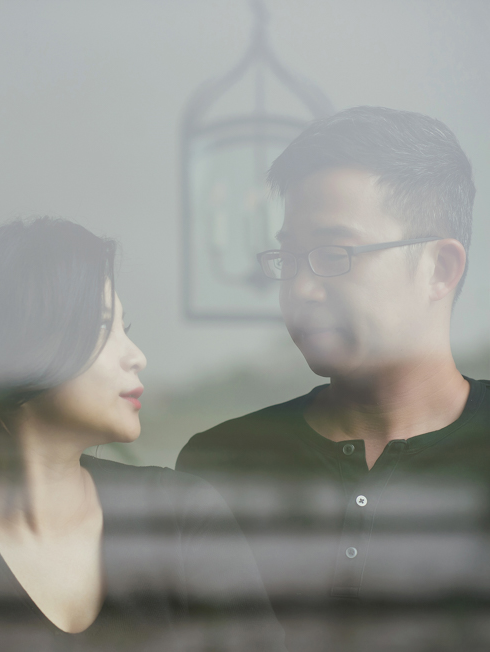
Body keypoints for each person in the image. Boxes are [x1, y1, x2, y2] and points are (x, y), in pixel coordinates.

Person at [0, 218, 284, 652]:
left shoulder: (181, 511)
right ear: (17, 350)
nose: (137, 356)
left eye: (124, 329)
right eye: (102, 327)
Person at [176, 107, 490, 651]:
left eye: (333, 254)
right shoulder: (219, 462)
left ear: (439, 269)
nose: (301, 289)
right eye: (290, 257)